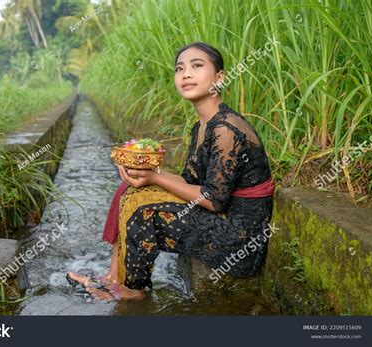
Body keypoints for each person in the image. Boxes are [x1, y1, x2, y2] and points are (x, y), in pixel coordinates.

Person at [67, 42, 275, 300]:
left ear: (219, 77)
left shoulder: (226, 129)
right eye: (180, 68)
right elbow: (189, 182)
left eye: (197, 66)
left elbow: (214, 199)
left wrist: (156, 176)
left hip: (239, 233)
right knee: (130, 190)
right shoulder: (201, 127)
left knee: (145, 210)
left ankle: (132, 291)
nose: (186, 74)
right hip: (221, 216)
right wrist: (146, 175)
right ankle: (113, 278)